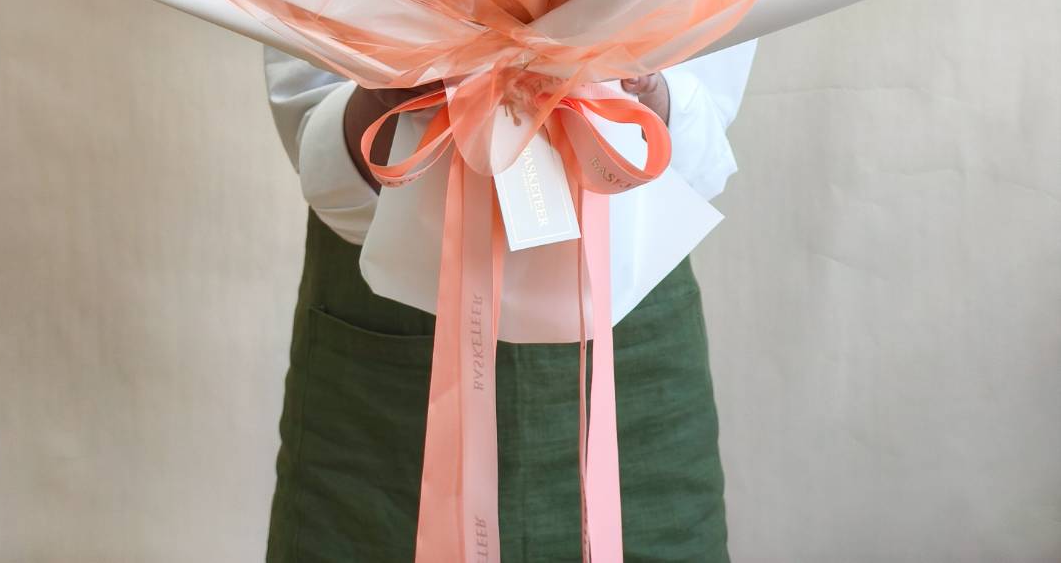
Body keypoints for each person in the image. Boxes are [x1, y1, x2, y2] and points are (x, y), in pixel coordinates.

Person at [263, 43, 756, 563]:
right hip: (380, 379)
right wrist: (388, 94)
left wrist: (646, 92)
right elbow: (313, 128)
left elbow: (703, 136)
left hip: (631, 345)